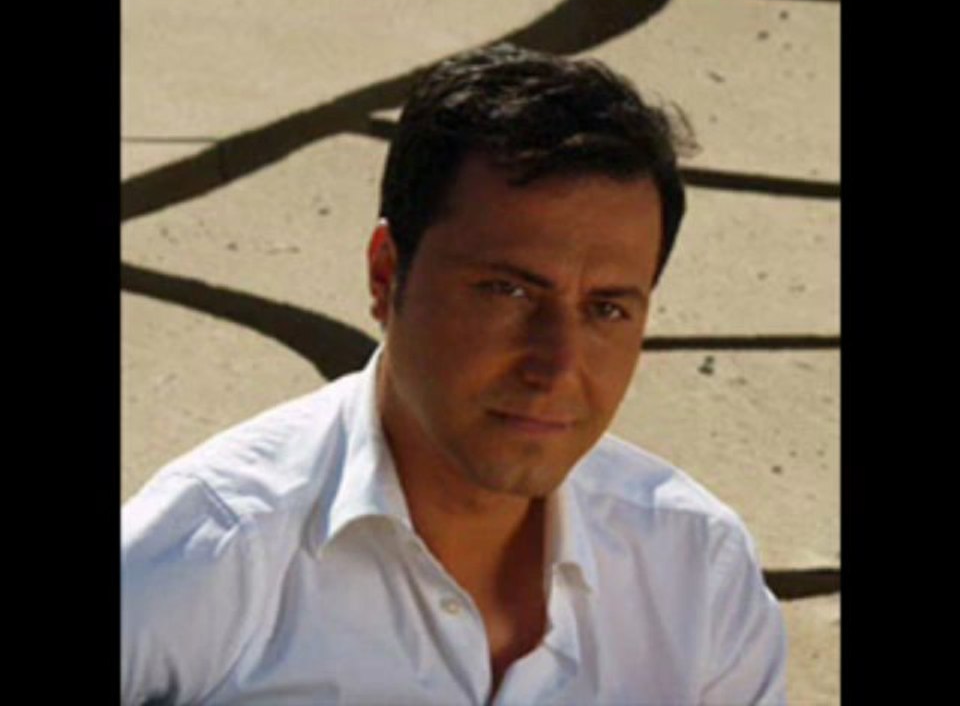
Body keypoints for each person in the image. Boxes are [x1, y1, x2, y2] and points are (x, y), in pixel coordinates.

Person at [122, 43, 787, 705]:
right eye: (508, 291)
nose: (557, 365)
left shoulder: (697, 573)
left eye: (606, 309)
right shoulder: (204, 560)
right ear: (386, 274)